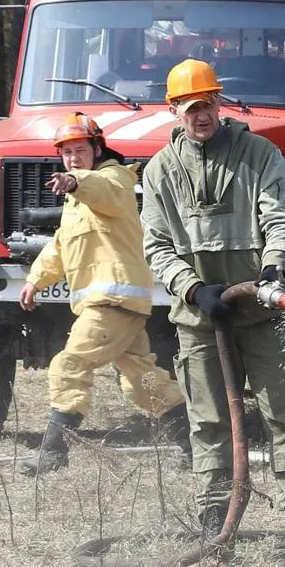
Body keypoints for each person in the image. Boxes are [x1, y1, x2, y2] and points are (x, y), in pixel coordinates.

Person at [140, 59, 285, 566]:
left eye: (208, 104)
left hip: (258, 313)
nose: (201, 115)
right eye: (190, 106)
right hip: (200, 320)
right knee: (208, 423)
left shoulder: (258, 154)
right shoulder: (159, 171)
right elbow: (156, 246)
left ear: (220, 103)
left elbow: (282, 218)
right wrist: (194, 289)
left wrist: (272, 269)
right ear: (174, 109)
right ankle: (215, 523)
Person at [18, 113, 191, 475]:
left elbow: (103, 192)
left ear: (98, 149)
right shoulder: (76, 202)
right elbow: (61, 247)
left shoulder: (115, 179)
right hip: (119, 306)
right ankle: (196, 446)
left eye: (80, 150)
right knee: (144, 384)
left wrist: (74, 181)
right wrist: (36, 280)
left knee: (69, 365)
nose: (73, 158)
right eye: (66, 153)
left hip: (111, 304)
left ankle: (54, 451)